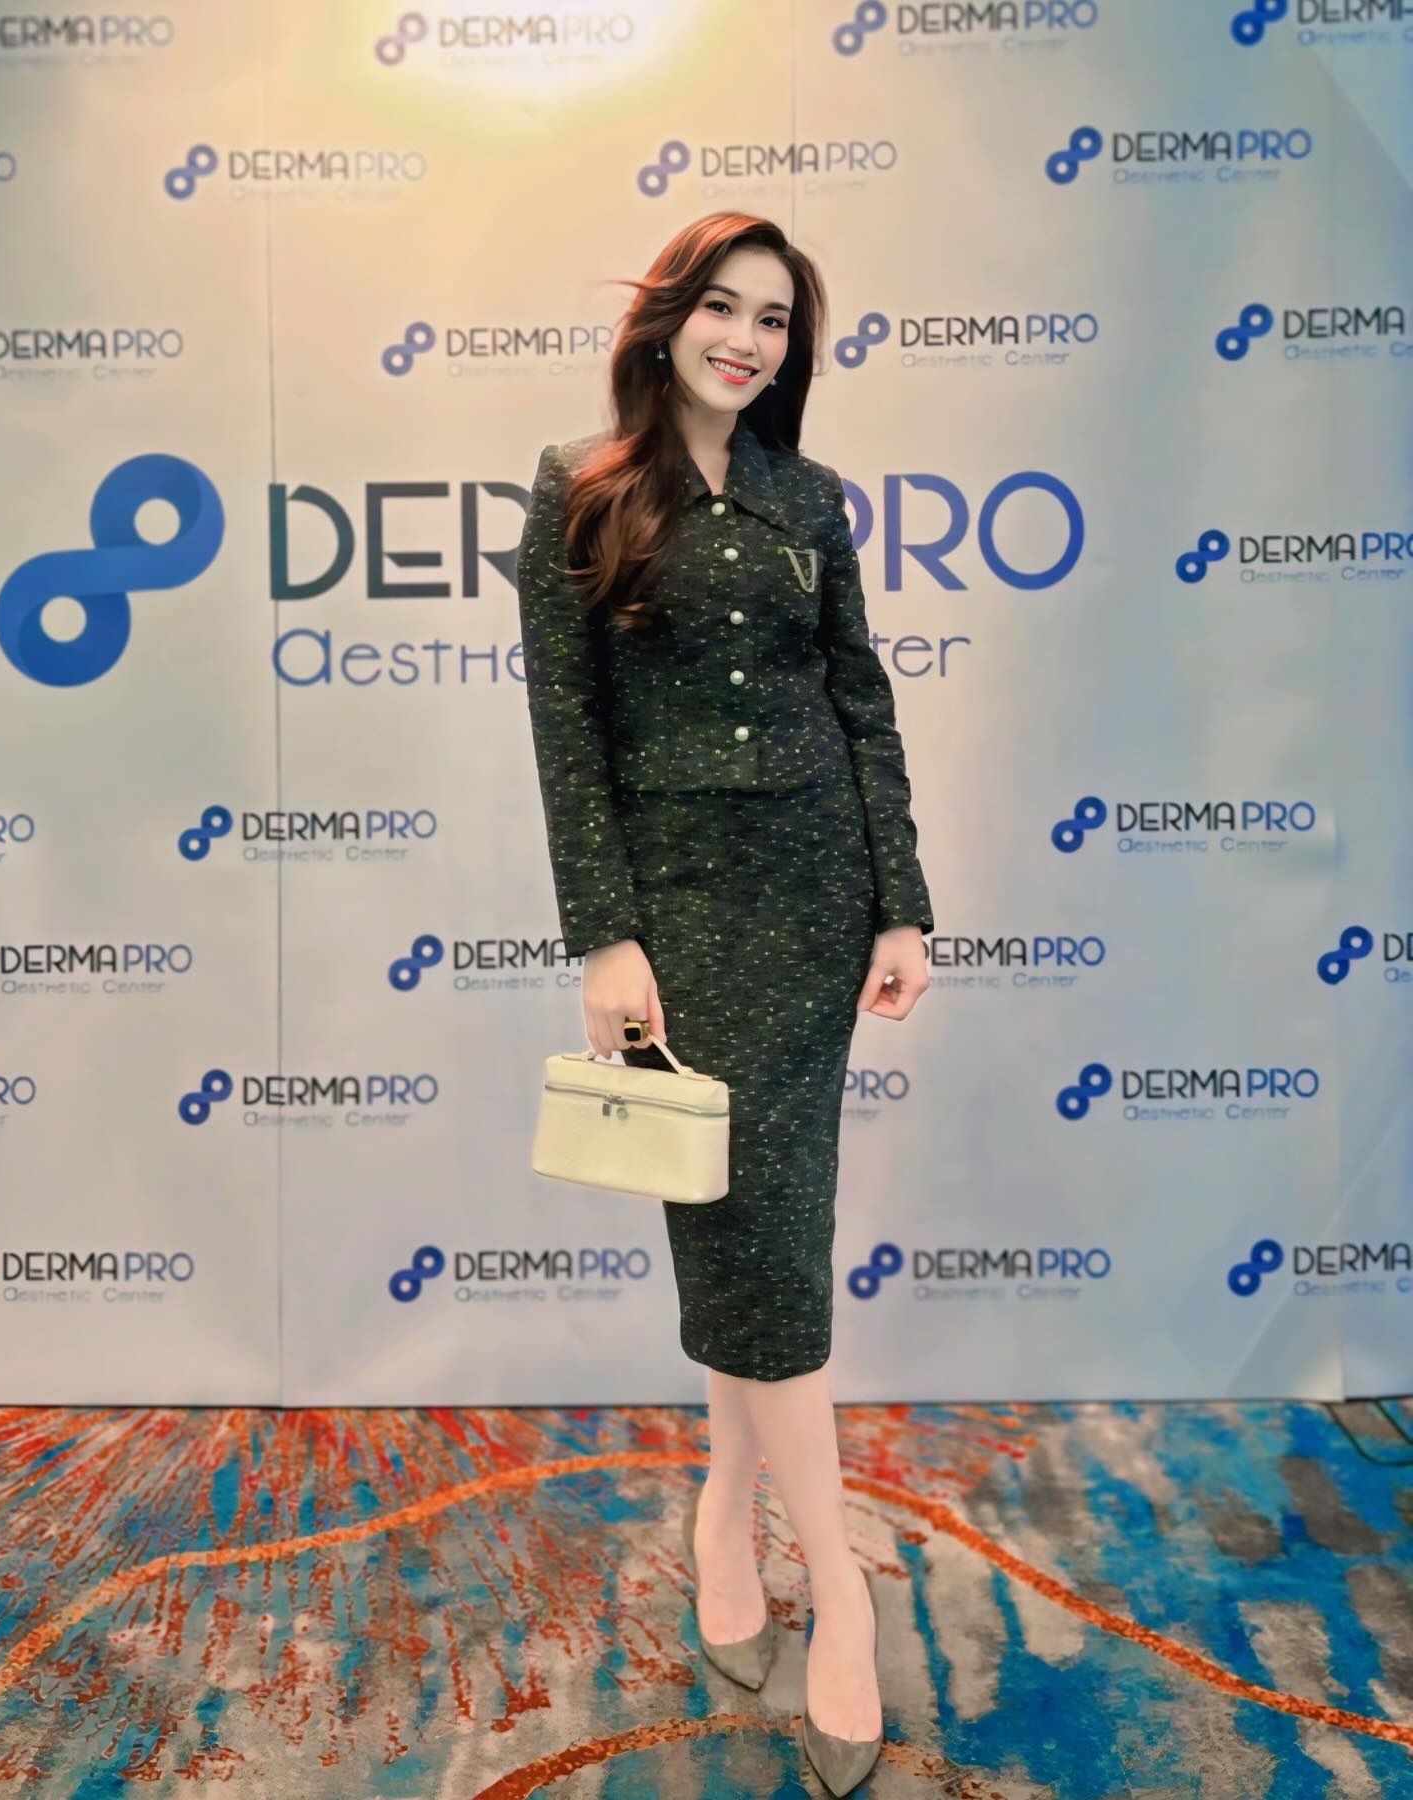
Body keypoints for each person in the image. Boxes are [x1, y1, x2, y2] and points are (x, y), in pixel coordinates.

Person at [515, 212, 932, 1791]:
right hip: (680, 929)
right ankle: (819, 1573)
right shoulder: (579, 485)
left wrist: (901, 901)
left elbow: (862, 704)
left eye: (775, 321)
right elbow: (566, 732)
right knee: (742, 1236)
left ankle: (755, 1538)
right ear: (669, 317)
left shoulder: (810, 497)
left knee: (768, 1239)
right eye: (725, 308)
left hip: (815, 907)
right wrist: (605, 937)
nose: (748, 341)